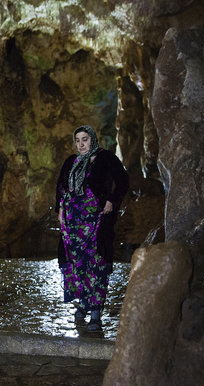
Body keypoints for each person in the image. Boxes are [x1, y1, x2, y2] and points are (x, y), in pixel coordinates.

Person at [55, 125, 129, 331]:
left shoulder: (105, 157)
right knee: (77, 263)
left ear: (92, 139)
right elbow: (61, 186)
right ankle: (84, 303)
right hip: (72, 222)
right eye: (77, 140)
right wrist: (60, 208)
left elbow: (123, 180)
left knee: (96, 263)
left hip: (96, 220)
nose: (81, 144)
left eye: (85, 139)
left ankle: (96, 311)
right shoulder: (71, 161)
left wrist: (112, 201)